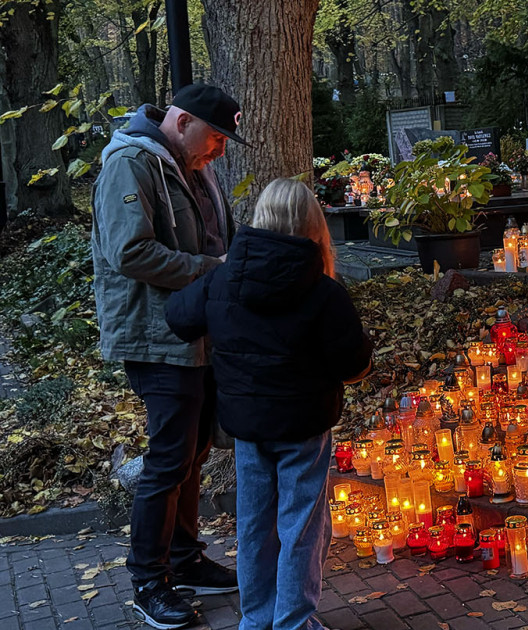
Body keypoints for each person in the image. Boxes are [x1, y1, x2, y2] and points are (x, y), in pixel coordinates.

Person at [166, 178, 373, 630]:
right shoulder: (322, 291)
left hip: (246, 425)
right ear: (313, 224)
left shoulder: (224, 279)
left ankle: (257, 619)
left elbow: (178, 317)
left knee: (256, 524)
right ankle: (293, 622)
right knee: (302, 524)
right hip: (304, 426)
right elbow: (354, 361)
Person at [91, 83, 246, 629]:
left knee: (195, 450)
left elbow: (212, 238)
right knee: (169, 458)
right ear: (182, 122)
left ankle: (183, 559)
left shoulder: (189, 164)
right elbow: (130, 251)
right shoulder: (130, 164)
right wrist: (217, 272)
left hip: (197, 331)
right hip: (157, 338)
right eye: (217, 137)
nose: (221, 150)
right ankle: (148, 582)